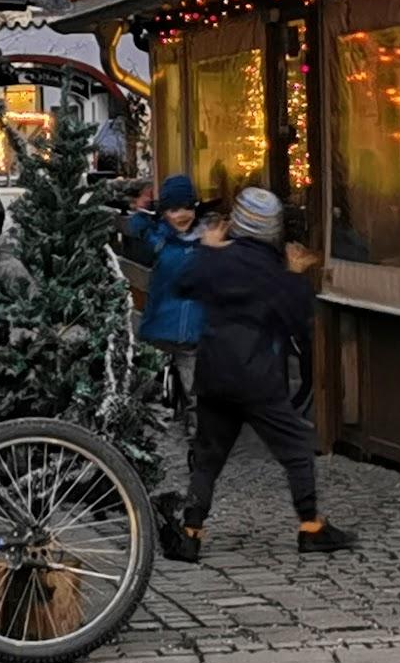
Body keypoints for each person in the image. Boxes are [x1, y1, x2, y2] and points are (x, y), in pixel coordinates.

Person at [162, 187, 355, 563]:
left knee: (209, 455)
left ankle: (191, 532)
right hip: (257, 377)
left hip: (214, 372)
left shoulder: (217, 259)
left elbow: (182, 283)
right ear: (272, 229)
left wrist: (207, 249)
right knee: (296, 447)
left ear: (238, 222)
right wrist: (296, 275)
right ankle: (311, 527)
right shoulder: (272, 270)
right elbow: (297, 320)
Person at [127, 174, 207, 431]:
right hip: (161, 327)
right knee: (148, 376)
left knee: (193, 385)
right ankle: (135, 421)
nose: (182, 215)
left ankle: (197, 432)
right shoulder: (160, 239)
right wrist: (142, 209)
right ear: (163, 213)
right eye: (174, 210)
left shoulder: (204, 242)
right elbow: (137, 226)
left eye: (187, 208)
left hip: (191, 331)